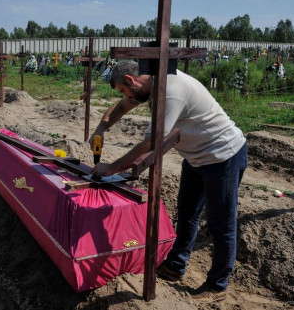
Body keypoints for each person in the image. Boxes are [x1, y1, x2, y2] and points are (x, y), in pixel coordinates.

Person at [89, 60, 247, 304]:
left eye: (124, 89)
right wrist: (100, 128)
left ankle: (218, 285)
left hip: (223, 155)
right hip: (196, 157)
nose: (126, 95)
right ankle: (175, 265)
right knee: (187, 213)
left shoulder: (169, 91)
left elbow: (151, 143)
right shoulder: (149, 84)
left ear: (132, 80)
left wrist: (111, 167)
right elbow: (121, 107)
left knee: (221, 222)